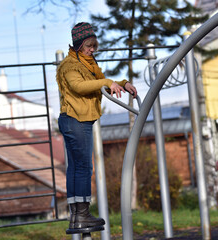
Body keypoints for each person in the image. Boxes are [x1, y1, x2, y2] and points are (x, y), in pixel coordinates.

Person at [56, 22, 137, 230]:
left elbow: (101, 82)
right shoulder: (69, 65)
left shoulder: (88, 64)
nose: (92, 50)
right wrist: (108, 82)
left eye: (94, 46)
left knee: (77, 167)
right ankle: (81, 214)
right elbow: (79, 86)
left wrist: (123, 83)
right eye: (89, 46)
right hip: (75, 120)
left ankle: (77, 216)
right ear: (78, 45)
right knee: (83, 167)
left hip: (80, 120)